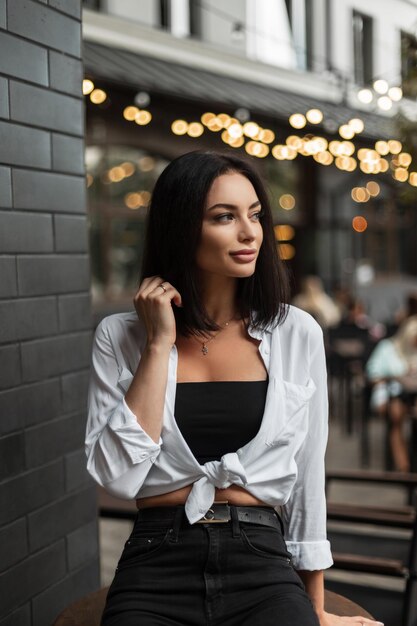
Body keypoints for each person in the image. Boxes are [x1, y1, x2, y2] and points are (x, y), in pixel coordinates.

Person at [86, 151, 382, 626]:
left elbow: (308, 476)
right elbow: (117, 476)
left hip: (260, 556)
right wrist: (159, 344)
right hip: (156, 558)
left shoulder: (295, 332)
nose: (250, 233)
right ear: (181, 228)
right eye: (225, 217)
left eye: (255, 215)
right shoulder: (121, 337)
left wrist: (316, 607)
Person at [366, 315, 417, 472]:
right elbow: (372, 373)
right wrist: (397, 377)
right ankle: (404, 467)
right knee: (396, 415)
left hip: (411, 396)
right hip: (393, 395)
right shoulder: (387, 347)